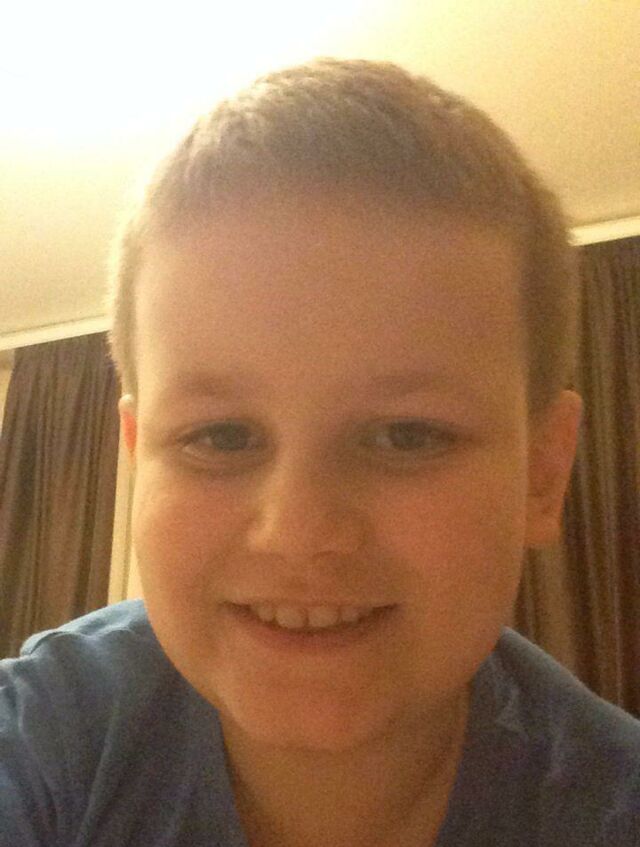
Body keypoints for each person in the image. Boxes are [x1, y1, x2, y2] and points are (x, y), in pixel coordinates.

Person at [1, 58, 638, 847]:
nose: (297, 532)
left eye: (407, 435)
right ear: (139, 460)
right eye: (221, 436)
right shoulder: (43, 742)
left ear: (543, 472)